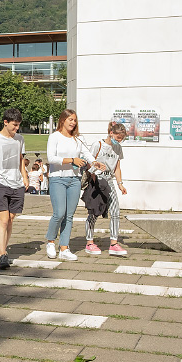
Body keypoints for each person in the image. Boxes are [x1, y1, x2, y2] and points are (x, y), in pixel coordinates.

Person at [44, 109, 106, 261]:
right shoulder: (55, 137)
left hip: (74, 180)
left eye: (74, 120)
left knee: (69, 215)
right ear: (63, 120)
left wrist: (95, 162)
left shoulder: (77, 139)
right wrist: (72, 160)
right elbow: (51, 158)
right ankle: (50, 241)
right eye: (70, 119)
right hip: (58, 178)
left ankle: (64, 248)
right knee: (59, 213)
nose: (73, 122)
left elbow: (86, 153)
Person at [0, 108, 29, 270]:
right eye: (14, 125)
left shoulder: (20, 139)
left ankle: (2, 249)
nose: (17, 129)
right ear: (5, 122)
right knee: (3, 219)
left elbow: (21, 159)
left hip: (17, 184)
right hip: (0, 183)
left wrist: (25, 177)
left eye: (18, 126)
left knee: (11, 219)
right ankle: (3, 254)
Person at [83, 121, 129, 256]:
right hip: (97, 181)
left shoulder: (118, 148)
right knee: (94, 212)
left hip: (109, 181)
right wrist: (93, 175)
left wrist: (120, 184)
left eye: (121, 139)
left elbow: (117, 167)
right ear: (111, 133)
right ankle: (89, 242)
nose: (119, 141)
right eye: (118, 138)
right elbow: (88, 162)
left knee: (115, 211)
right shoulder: (98, 145)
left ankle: (114, 243)